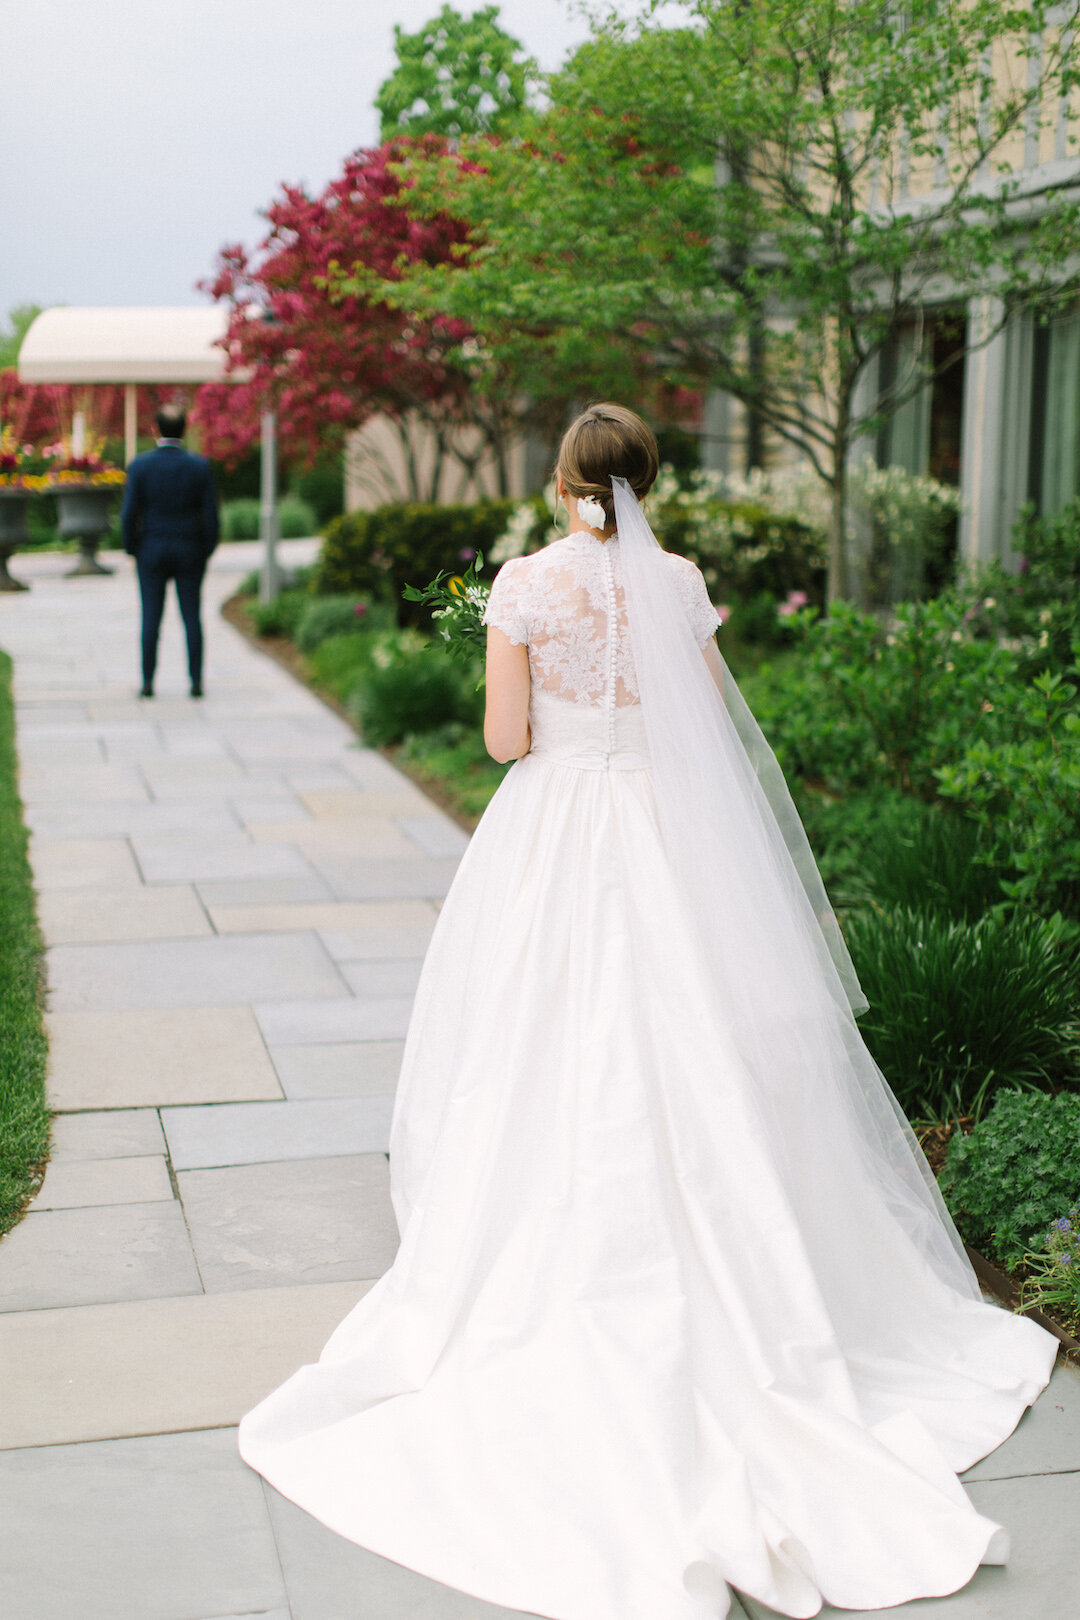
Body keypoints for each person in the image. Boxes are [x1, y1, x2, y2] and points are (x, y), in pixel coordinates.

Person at [237, 404, 1057, 1620]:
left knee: (542, 1037)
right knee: (691, 1043)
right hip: (672, 840)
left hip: (557, 829)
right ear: (645, 483)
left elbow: (506, 740)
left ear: (565, 481)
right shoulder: (678, 584)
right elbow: (709, 726)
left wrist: (531, 682)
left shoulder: (523, 583)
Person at [121, 403, 219, 698]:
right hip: (189, 549)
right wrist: (206, 550)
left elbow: (128, 514)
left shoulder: (140, 466)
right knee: (192, 616)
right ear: (185, 429)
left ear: (155, 429)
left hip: (151, 549)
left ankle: (148, 682)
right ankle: (196, 681)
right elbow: (211, 515)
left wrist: (133, 549)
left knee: (150, 617)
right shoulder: (199, 466)